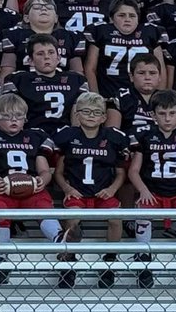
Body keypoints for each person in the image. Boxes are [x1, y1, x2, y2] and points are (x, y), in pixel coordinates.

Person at [45, 92, 130, 289]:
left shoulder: (113, 138)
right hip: (78, 192)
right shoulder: (68, 136)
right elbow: (58, 172)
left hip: (103, 193)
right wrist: (67, 188)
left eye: (97, 112)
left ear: (104, 117)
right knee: (72, 218)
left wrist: (111, 189)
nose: (91, 116)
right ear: (77, 114)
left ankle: (109, 263)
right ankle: (68, 263)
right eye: (86, 111)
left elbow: (120, 173)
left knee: (116, 219)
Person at [128, 90, 176, 288]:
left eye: (172, 113)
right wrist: (143, 191)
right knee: (142, 212)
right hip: (153, 191)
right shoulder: (144, 135)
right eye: (162, 114)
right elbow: (134, 171)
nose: (167, 118)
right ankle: (144, 261)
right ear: (153, 115)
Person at [0, 93, 61, 255]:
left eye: (18, 116)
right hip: (2, 189)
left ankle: (59, 239)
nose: (13, 120)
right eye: (7, 116)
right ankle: (0, 254)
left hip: (31, 188)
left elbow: (45, 170)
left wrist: (42, 180)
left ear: (25, 118)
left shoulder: (35, 137)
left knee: (43, 206)